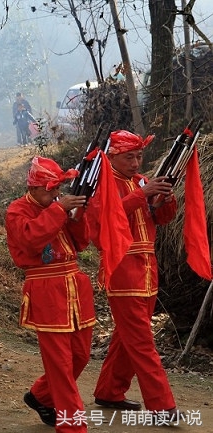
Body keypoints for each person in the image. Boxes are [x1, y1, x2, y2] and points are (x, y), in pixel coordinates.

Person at [87, 130, 178, 418]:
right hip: (123, 269)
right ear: (113, 157)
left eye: (139, 156)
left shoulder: (139, 181)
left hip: (148, 268)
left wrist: (164, 200)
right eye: (130, 157)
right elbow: (102, 223)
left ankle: (109, 391)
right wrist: (142, 195)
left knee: (128, 337)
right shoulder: (103, 184)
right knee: (141, 341)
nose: (136, 163)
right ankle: (162, 405)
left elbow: (161, 218)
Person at [5, 156, 94, 432]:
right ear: (32, 188)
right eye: (50, 189)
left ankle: (41, 396)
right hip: (45, 289)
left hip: (74, 286)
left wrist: (77, 215)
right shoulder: (16, 211)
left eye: (57, 189)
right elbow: (31, 240)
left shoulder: (56, 206)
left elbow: (80, 244)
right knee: (60, 364)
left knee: (80, 355)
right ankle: (72, 426)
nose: (56, 194)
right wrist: (59, 211)